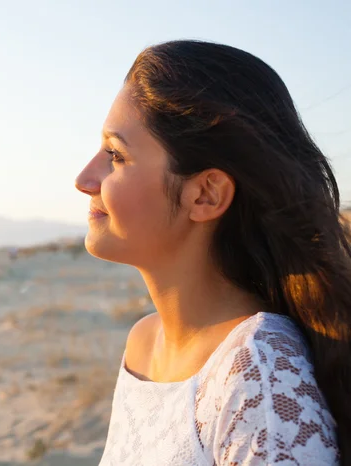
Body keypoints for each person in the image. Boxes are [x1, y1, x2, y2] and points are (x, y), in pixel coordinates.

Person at [75, 40, 349, 465]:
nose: (85, 178)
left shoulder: (257, 375)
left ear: (205, 194)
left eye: (115, 155)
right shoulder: (144, 344)